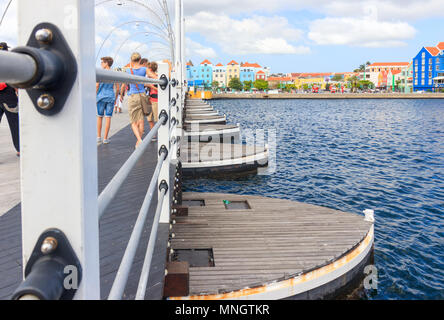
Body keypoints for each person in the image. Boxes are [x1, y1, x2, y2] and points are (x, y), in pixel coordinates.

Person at [120, 52, 152, 149]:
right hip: (142, 95)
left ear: (131, 60)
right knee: (141, 121)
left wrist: (121, 94)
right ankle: (138, 143)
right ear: (140, 59)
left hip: (133, 96)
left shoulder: (128, 71)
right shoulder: (144, 69)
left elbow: (123, 85)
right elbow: (152, 76)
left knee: (134, 122)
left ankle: (139, 140)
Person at [0, 42, 20, 157]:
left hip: (8, 94)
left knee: (15, 123)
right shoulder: (9, 61)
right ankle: (20, 149)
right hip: (8, 95)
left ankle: (20, 148)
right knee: (15, 123)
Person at [96, 57, 118, 144]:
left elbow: (97, 85)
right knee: (108, 117)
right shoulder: (114, 73)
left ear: (106, 63)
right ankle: (105, 138)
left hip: (101, 97)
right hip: (110, 97)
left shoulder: (101, 73)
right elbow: (117, 87)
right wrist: (115, 97)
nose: (101, 64)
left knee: (99, 117)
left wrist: (94, 95)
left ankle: (98, 137)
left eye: (102, 62)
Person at [146, 62, 159, 136]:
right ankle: (153, 134)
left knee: (157, 119)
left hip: (156, 100)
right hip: (149, 100)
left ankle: (160, 135)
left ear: (150, 69)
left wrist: (151, 86)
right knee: (149, 119)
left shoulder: (157, 78)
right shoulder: (148, 78)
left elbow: (160, 89)